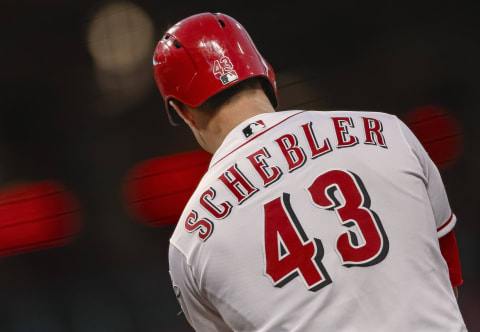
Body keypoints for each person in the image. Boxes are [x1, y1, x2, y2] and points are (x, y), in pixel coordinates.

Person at [153, 12, 467, 331]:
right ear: (268, 74)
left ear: (182, 111)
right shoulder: (387, 132)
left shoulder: (189, 243)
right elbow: (449, 276)